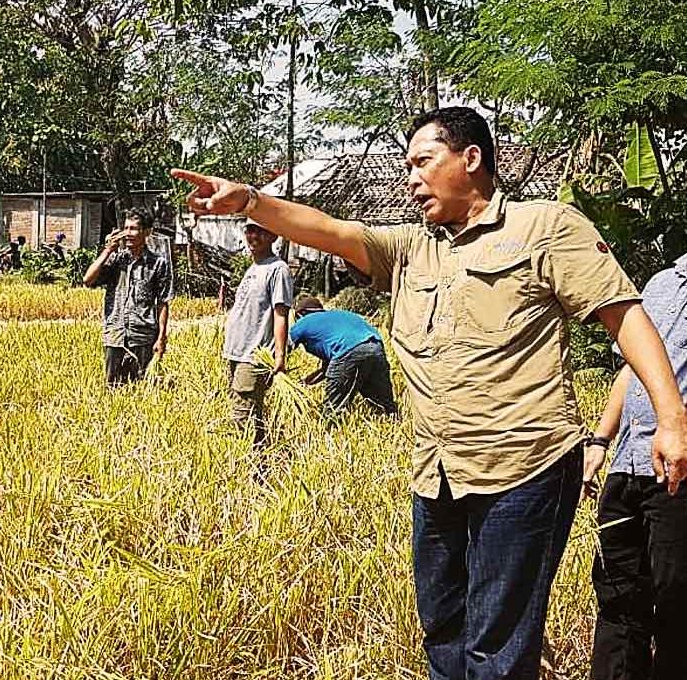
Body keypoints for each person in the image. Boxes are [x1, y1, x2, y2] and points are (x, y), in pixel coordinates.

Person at [171, 106, 687, 680]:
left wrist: (671, 419)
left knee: (497, 645)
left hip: (524, 467)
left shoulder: (545, 228)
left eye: (423, 162)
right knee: (442, 628)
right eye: (408, 166)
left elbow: (625, 316)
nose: (411, 178)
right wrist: (250, 201)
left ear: (471, 159)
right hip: (438, 471)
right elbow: (333, 231)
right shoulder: (413, 247)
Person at [583, 252, 687, 680]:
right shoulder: (663, 282)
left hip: (679, 471)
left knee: (677, 601)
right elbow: (632, 369)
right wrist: (600, 441)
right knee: (617, 597)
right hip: (628, 464)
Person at [223, 222, 293, 449]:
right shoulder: (253, 268)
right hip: (237, 353)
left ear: (274, 235)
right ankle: (263, 459)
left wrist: (280, 357)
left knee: (241, 420)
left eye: (260, 231)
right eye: (250, 230)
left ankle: (243, 464)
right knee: (253, 416)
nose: (253, 236)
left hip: (254, 356)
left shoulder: (278, 269)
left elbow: (281, 314)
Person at [83, 208, 171, 387]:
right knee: (113, 388)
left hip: (143, 337)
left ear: (147, 232)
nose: (128, 233)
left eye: (133, 229)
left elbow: (163, 303)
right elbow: (87, 279)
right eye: (126, 228)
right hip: (115, 336)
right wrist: (108, 250)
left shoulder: (158, 264)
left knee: (142, 388)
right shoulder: (116, 260)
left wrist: (161, 338)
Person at [290, 296, 396, 414]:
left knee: (333, 409)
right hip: (376, 347)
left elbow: (283, 349)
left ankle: (331, 423)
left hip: (349, 350)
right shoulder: (337, 319)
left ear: (301, 313)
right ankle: (392, 418)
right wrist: (305, 382)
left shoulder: (304, 322)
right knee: (383, 407)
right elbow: (328, 369)